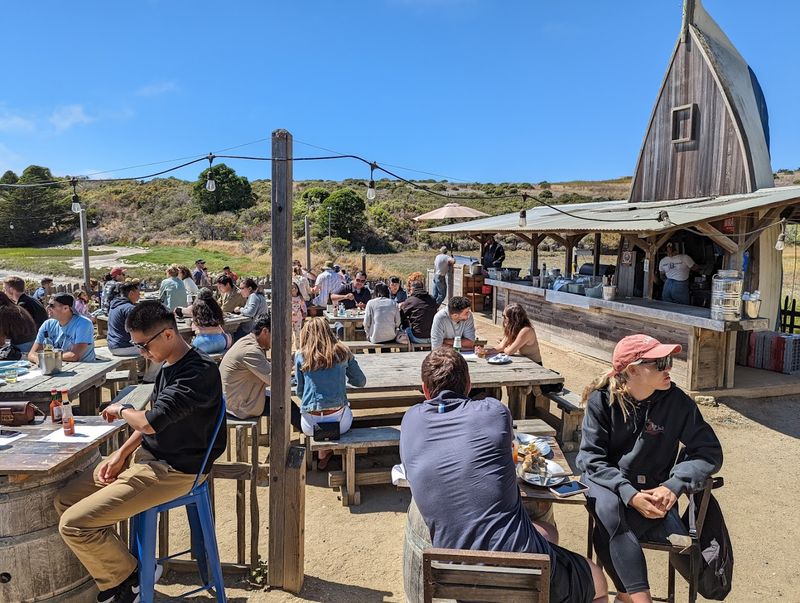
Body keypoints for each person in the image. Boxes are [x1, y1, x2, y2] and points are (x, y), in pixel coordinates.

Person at [401, 348, 608, 603]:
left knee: (548, 533)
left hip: (456, 574)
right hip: (520, 570)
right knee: (598, 580)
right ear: (469, 385)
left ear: (424, 389)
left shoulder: (411, 420)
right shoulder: (494, 411)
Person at [54, 300, 226, 603]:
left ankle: (129, 579)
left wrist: (123, 409)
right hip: (147, 460)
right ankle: (124, 573)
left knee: (74, 524)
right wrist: (120, 454)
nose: (142, 353)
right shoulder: (168, 366)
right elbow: (152, 422)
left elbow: (148, 422)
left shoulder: (199, 372)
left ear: (168, 335)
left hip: (174, 471)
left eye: (144, 346)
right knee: (64, 500)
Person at [577, 334, 722, 603]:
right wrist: (628, 493)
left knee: (607, 529)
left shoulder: (678, 402)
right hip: (609, 482)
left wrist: (673, 486)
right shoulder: (602, 400)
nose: (669, 367)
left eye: (669, 360)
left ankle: (624, 596)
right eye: (660, 362)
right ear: (632, 370)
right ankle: (639, 599)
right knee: (609, 508)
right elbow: (591, 459)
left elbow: (709, 452)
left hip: (655, 491)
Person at [295, 317, 366, 469]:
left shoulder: (301, 355)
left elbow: (300, 391)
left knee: (319, 414)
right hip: (340, 421)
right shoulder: (342, 351)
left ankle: (323, 451)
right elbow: (360, 381)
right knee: (345, 409)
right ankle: (327, 450)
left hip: (310, 423)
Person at [220, 313, 301, 429]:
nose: (276, 340)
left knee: (285, 401)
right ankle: (312, 435)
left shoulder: (247, 341)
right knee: (286, 404)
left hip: (234, 399)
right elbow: (274, 380)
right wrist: (290, 363)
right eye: (276, 335)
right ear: (265, 331)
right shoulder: (251, 350)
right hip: (240, 406)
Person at [28, 293, 96, 363]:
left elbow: (74, 355)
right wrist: (39, 360)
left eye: (52, 305)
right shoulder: (47, 324)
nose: (48, 308)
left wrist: (48, 358)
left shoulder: (84, 323)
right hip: (58, 365)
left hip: (84, 367)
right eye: (48, 304)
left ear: (65, 308)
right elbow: (32, 354)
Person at [107, 282, 141, 356]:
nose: (139, 296)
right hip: (124, 347)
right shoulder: (129, 308)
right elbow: (137, 330)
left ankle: (144, 367)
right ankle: (151, 368)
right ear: (131, 293)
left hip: (112, 345)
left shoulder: (114, 305)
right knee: (160, 349)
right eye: (138, 293)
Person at [400, 280, 438, 344]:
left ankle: (405, 351)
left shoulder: (411, 300)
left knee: (403, 329)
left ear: (412, 289)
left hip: (417, 338)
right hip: (433, 337)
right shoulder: (432, 299)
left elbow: (401, 317)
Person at [0, 293, 37, 357]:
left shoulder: (3, 311)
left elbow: (1, 340)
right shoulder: (17, 308)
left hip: (21, 351)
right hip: (33, 347)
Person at [291, 281, 307, 349]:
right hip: (290, 318)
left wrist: (305, 312)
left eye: (295, 287)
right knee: (290, 335)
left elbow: (303, 306)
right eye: (292, 288)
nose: (294, 289)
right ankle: (289, 348)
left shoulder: (300, 298)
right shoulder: (288, 298)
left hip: (298, 318)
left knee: (297, 334)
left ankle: (298, 348)